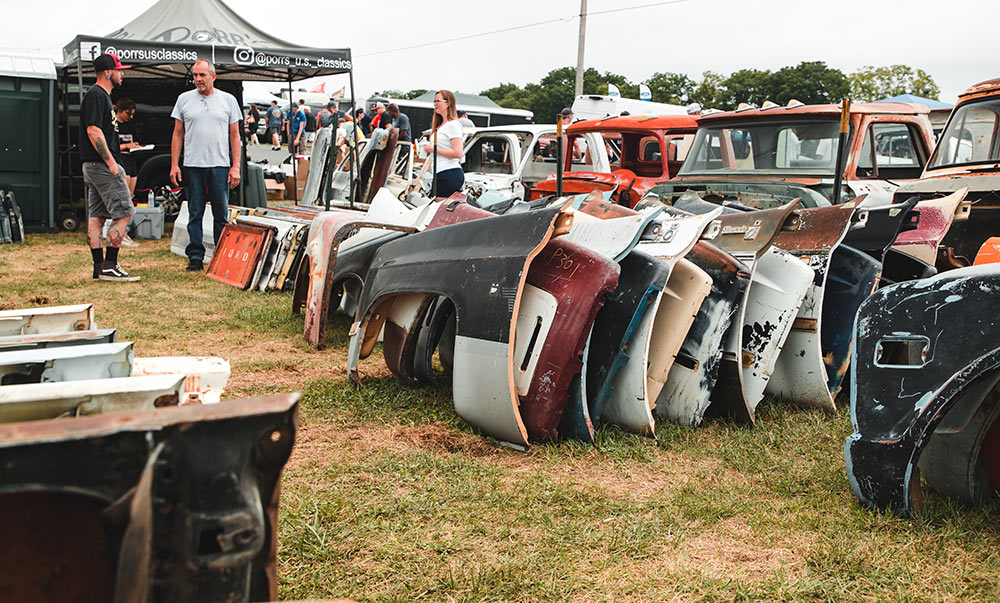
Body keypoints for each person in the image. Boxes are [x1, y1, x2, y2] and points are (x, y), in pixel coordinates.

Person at [169, 59, 242, 272]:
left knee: (221, 213)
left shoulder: (228, 100)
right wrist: (175, 164)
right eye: (195, 75)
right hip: (193, 164)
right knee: (195, 212)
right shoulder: (183, 100)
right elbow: (177, 133)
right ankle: (195, 257)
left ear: (213, 76)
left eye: (202, 75)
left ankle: (221, 256)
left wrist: (235, 166)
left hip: (219, 164)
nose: (198, 79)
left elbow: (235, 135)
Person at [80, 53, 140, 282]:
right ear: (108, 72)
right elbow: (93, 131)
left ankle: (98, 268)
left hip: (92, 166)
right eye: (119, 69)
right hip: (102, 166)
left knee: (97, 217)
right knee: (125, 213)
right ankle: (110, 265)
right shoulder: (98, 95)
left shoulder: (99, 96)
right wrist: (111, 162)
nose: (122, 73)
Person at [422, 90, 464, 198]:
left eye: (438, 101)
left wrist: (433, 150)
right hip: (439, 172)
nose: (435, 104)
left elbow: (457, 153)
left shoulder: (453, 125)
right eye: (434, 101)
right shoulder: (440, 126)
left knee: (439, 209)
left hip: (449, 172)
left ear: (448, 103)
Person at [112, 98, 141, 248]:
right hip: (120, 161)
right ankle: (119, 233)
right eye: (128, 113)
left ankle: (125, 231)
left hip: (131, 161)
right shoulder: (113, 125)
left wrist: (134, 146)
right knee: (123, 198)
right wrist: (126, 146)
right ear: (120, 111)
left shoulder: (129, 125)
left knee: (130, 197)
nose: (130, 117)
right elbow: (113, 146)